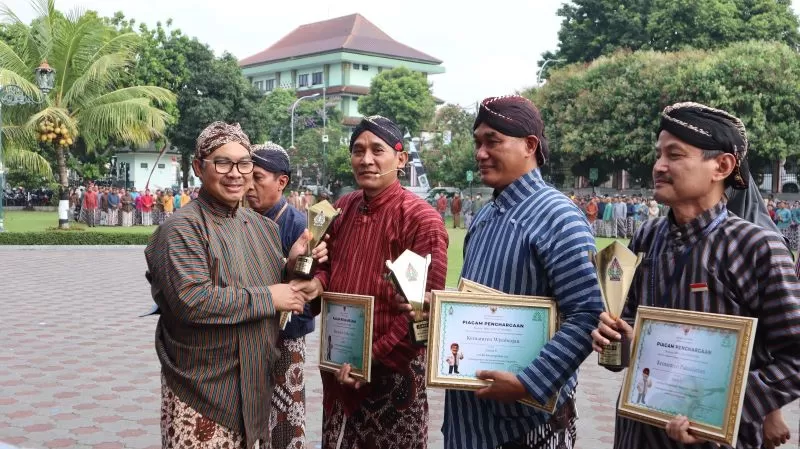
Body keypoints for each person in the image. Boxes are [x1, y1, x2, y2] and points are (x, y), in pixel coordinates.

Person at [399, 96, 603, 449]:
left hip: (525, 426)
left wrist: (529, 382)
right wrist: (446, 313)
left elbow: (587, 315)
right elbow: (480, 303)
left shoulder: (560, 217)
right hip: (469, 421)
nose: (480, 152)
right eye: (477, 142)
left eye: (493, 141)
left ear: (530, 145)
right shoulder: (484, 217)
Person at [591, 102, 799, 449]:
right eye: (658, 154)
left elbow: (794, 357)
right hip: (638, 433)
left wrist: (718, 409)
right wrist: (615, 341)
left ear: (722, 165)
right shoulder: (646, 237)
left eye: (674, 154)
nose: (659, 166)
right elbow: (625, 339)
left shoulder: (757, 247)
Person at [144, 121, 327, 449]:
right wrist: (272, 296)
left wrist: (295, 265)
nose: (235, 173)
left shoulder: (262, 228)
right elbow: (192, 300)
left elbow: (277, 289)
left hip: (253, 388)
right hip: (201, 392)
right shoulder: (182, 229)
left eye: (244, 164)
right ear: (199, 167)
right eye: (222, 162)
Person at [291, 115, 449, 449]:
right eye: (358, 150)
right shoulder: (343, 207)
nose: (366, 160)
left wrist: (371, 360)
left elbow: (423, 313)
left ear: (401, 158)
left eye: (377, 150)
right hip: (340, 369)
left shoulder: (421, 219)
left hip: (391, 376)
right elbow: (326, 264)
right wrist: (318, 282)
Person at [246, 142, 314, 449]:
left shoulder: (299, 225)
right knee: (247, 417)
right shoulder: (240, 219)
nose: (248, 185)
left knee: (285, 421)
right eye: (247, 175)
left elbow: (306, 291)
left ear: (281, 182)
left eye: (257, 177)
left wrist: (292, 267)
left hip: (285, 338)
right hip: (245, 333)